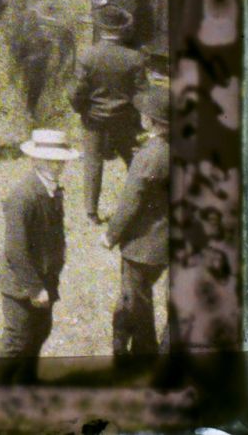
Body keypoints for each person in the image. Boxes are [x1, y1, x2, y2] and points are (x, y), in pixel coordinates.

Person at [0, 129, 78, 385]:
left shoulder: (52, 189)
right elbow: (16, 250)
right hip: (21, 284)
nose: (58, 165)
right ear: (35, 160)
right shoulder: (23, 196)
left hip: (45, 276)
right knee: (17, 339)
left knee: (40, 331)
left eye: (61, 160)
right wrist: (34, 288)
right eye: (51, 160)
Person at [104, 84, 170, 365]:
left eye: (144, 112)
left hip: (143, 245)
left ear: (151, 120)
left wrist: (110, 235)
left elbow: (130, 204)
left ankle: (141, 356)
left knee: (136, 303)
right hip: (169, 240)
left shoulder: (149, 156)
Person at [70, 2, 146, 223]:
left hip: (93, 119)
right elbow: (143, 93)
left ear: (101, 29)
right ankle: (141, 203)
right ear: (122, 30)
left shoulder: (88, 56)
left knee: (93, 162)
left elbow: (77, 91)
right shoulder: (134, 58)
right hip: (124, 118)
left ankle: (91, 212)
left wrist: (81, 109)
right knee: (132, 160)